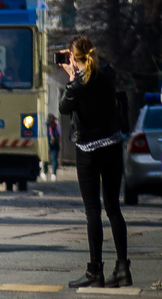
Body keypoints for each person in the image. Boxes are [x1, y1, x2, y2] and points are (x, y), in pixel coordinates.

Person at [59, 36, 130, 288]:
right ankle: (122, 268)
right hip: (113, 145)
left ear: (74, 59)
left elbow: (64, 108)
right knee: (114, 209)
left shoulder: (77, 85)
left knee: (93, 211)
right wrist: (79, 67)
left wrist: (71, 76)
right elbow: (101, 71)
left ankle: (95, 272)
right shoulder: (108, 75)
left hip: (88, 150)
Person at [46, 114, 62, 181]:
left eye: (52, 118)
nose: (51, 119)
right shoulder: (47, 126)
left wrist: (56, 139)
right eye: (50, 118)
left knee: (54, 159)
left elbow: (60, 135)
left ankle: (54, 174)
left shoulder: (56, 126)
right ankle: (44, 171)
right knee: (45, 159)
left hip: (54, 144)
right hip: (48, 144)